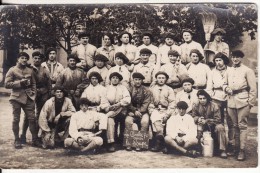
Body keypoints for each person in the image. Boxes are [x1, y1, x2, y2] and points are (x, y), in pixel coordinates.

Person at [223, 50, 257, 161]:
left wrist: (250, 103)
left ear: (241, 58)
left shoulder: (247, 70)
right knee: (234, 126)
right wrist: (226, 88)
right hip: (231, 101)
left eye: (237, 57)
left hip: (243, 101)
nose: (235, 59)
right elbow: (224, 83)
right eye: (233, 57)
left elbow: (253, 89)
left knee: (242, 126)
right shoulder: (228, 70)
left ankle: (242, 150)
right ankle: (236, 148)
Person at [5, 52, 41, 148]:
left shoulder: (30, 71)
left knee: (32, 119)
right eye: (22, 58)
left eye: (26, 58)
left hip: (28, 97)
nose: (24, 60)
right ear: (18, 59)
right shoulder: (12, 70)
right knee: (16, 119)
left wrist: (33, 94)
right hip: (16, 97)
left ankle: (34, 139)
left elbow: (34, 83)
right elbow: (7, 84)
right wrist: (19, 83)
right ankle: (17, 140)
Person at [20, 51, 52, 144]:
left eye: (39, 58)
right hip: (30, 93)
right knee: (28, 115)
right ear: (32, 59)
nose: (37, 60)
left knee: (40, 115)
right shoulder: (28, 68)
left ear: (42, 60)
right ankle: (23, 135)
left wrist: (49, 93)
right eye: (35, 58)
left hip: (43, 94)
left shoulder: (45, 70)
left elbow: (48, 84)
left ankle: (36, 137)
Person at [192, 89, 227, 158]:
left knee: (220, 127)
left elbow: (218, 119)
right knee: (197, 127)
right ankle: (198, 148)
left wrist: (207, 121)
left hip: (213, 125)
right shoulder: (196, 105)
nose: (202, 100)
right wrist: (198, 119)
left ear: (207, 98)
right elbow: (193, 116)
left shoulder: (214, 105)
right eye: (200, 98)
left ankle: (222, 150)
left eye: (204, 98)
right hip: (201, 124)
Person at [148, 71, 176, 152]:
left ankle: (161, 143)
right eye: (159, 78)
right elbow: (150, 102)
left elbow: (172, 103)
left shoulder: (169, 89)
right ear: (156, 79)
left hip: (166, 110)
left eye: (163, 78)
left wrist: (167, 114)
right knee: (155, 117)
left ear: (166, 79)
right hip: (155, 109)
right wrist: (151, 110)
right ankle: (160, 143)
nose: (161, 80)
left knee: (168, 120)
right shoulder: (152, 89)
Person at [103, 72, 131, 152]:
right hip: (111, 109)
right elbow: (104, 101)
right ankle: (111, 143)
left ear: (119, 80)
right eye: (113, 78)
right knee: (109, 120)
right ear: (110, 79)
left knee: (124, 120)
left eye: (117, 78)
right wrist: (108, 107)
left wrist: (119, 104)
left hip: (122, 109)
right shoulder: (106, 89)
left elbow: (127, 98)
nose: (115, 79)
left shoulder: (123, 88)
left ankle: (124, 141)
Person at [125, 72, 151, 151]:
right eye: (136, 79)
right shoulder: (129, 89)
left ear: (142, 81)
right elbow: (127, 102)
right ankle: (129, 143)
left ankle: (140, 144)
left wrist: (139, 112)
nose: (137, 81)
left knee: (145, 122)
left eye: (139, 80)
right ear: (133, 80)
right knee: (128, 121)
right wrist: (134, 111)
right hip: (132, 111)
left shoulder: (146, 90)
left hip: (143, 112)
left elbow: (146, 103)